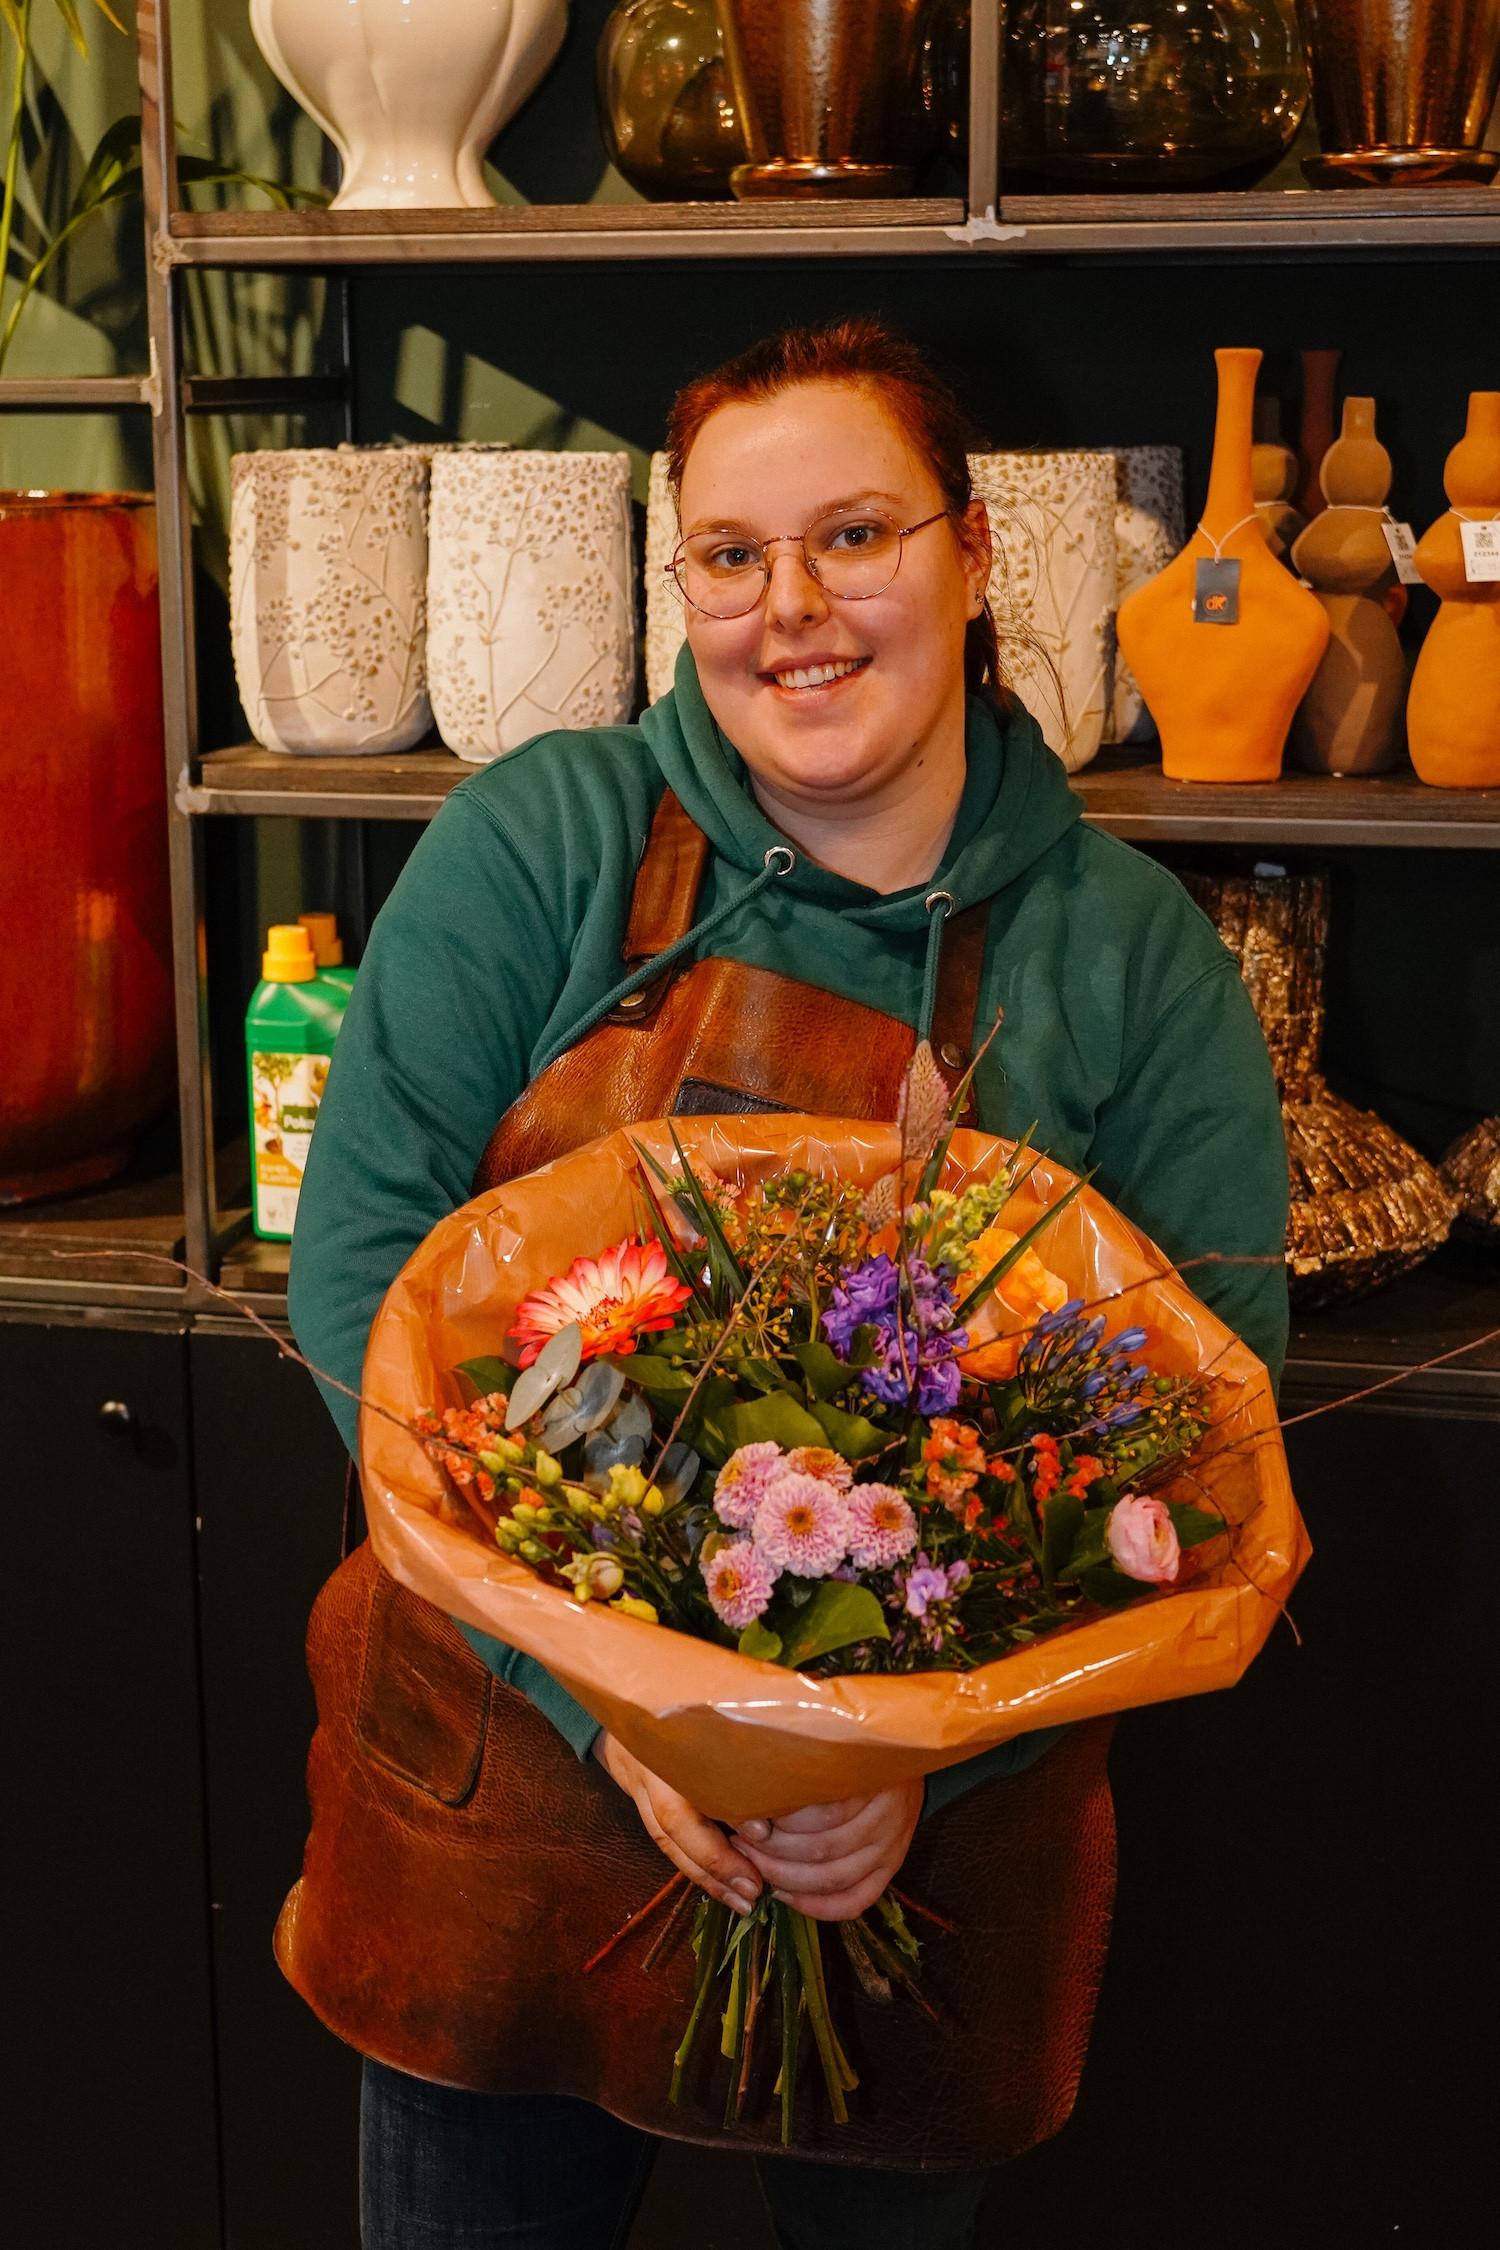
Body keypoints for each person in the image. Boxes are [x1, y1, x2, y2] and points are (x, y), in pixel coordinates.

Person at [288, 318, 1289, 2250]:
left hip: (913, 1875)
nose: (793, 608)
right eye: (733, 555)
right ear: (686, 586)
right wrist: (621, 1703)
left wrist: (908, 1755)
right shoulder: (540, 846)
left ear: (976, 553)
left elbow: (1205, 1429)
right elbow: (362, 1289)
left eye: (855, 535)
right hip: (504, 1805)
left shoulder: (1128, 959)